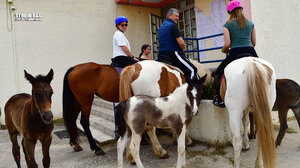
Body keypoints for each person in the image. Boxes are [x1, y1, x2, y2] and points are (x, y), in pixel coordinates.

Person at [213, 0, 258, 107]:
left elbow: (227, 44)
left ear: (230, 12)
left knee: (218, 73)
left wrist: (224, 50)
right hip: (251, 51)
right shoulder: (251, 24)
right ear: (241, 9)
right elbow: (254, 43)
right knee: (264, 72)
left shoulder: (227, 25)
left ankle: (220, 100)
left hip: (235, 52)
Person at [157, 8, 198, 80]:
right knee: (193, 70)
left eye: (178, 16)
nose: (178, 18)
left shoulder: (160, 28)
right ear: (169, 15)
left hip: (161, 55)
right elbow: (181, 43)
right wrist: (182, 52)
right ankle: (192, 90)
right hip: (172, 55)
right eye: (176, 16)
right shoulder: (172, 26)